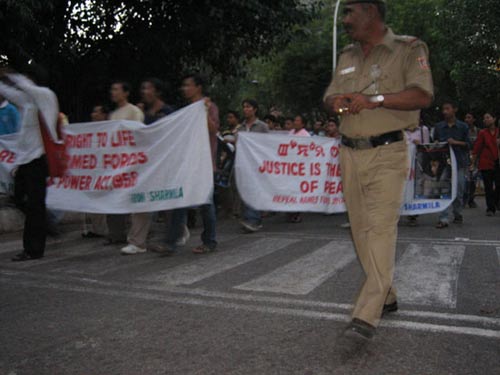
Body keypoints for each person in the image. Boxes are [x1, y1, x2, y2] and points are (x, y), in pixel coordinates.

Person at [323, 0, 433, 339]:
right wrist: (337, 103)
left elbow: (422, 95)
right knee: (361, 232)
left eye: (351, 12)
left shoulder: (408, 49)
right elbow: (329, 97)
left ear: (370, 11)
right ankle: (386, 294)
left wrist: (376, 100)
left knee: (381, 228)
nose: (346, 19)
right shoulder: (347, 55)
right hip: (349, 152)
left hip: (388, 151)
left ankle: (366, 315)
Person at [150, 73, 219, 255]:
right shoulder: (187, 110)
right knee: (179, 201)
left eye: (188, 85)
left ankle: (209, 241)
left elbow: (213, 129)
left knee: (206, 203)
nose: (184, 89)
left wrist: (202, 111)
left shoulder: (208, 106)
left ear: (198, 87)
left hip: (204, 164)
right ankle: (170, 242)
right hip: (187, 164)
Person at [0, 73, 60, 261]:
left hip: (38, 160)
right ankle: (46, 224)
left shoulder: (46, 97)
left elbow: (26, 86)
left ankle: (33, 249)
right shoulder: (27, 104)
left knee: (35, 205)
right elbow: (9, 92)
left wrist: (11, 75)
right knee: (19, 199)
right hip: (25, 161)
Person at [102, 81, 150, 255]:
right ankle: (117, 234)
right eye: (112, 89)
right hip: (116, 164)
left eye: (116, 89)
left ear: (126, 92)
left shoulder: (134, 112)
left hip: (132, 163)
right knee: (117, 198)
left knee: (138, 201)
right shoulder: (114, 114)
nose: (113, 92)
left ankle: (138, 241)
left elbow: (137, 135)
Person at [434, 101, 470, 229]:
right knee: (444, 190)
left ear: (454, 109)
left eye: (447, 109)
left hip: (459, 163)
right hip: (444, 165)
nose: (445, 111)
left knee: (459, 190)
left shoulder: (463, 126)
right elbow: (433, 145)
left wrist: (455, 142)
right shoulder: (438, 127)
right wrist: (437, 144)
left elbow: (468, 145)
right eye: (443, 109)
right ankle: (443, 218)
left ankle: (457, 212)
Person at [238, 99, 269, 233]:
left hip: (257, 163)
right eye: (244, 107)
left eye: (248, 107)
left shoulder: (262, 126)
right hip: (244, 163)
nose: (245, 109)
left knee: (254, 190)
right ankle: (250, 218)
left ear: (255, 109)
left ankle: (253, 219)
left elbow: (268, 144)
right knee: (246, 190)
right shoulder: (241, 128)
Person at [82, 104, 110, 239]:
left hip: (104, 171)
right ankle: (98, 229)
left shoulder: (110, 129)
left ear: (104, 115)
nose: (93, 114)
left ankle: (104, 229)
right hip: (93, 171)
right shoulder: (89, 131)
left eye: (97, 112)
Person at [470, 112, 500, 216]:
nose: (485, 120)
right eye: (484, 118)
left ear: (494, 119)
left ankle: (496, 202)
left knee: (498, 184)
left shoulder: (498, 131)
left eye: (488, 117)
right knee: (488, 186)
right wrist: (473, 161)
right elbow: (477, 147)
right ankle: (490, 208)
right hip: (486, 162)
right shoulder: (482, 133)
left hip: (498, 161)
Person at [405, 121, 430, 226]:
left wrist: (419, 145)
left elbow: (427, 147)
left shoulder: (423, 129)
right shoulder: (401, 129)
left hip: (417, 160)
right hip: (403, 160)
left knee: (416, 184)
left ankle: (413, 214)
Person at [464, 112, 479, 208]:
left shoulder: (478, 131)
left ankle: (471, 199)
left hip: (475, 158)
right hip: (465, 157)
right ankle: (464, 199)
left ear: (473, 119)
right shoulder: (462, 130)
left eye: (469, 117)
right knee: (465, 180)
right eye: (466, 117)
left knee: (473, 179)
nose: (466, 119)